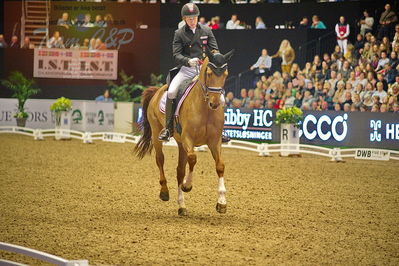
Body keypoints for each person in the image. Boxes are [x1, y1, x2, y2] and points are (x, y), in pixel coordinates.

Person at [158, 3, 227, 142]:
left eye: (195, 17)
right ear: (184, 19)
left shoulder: (206, 31)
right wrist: (188, 61)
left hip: (204, 70)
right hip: (187, 69)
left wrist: (215, 59)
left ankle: (221, 130)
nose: (193, 20)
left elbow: (215, 50)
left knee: (221, 99)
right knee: (171, 92)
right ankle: (168, 127)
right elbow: (176, 55)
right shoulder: (179, 33)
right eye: (190, 18)